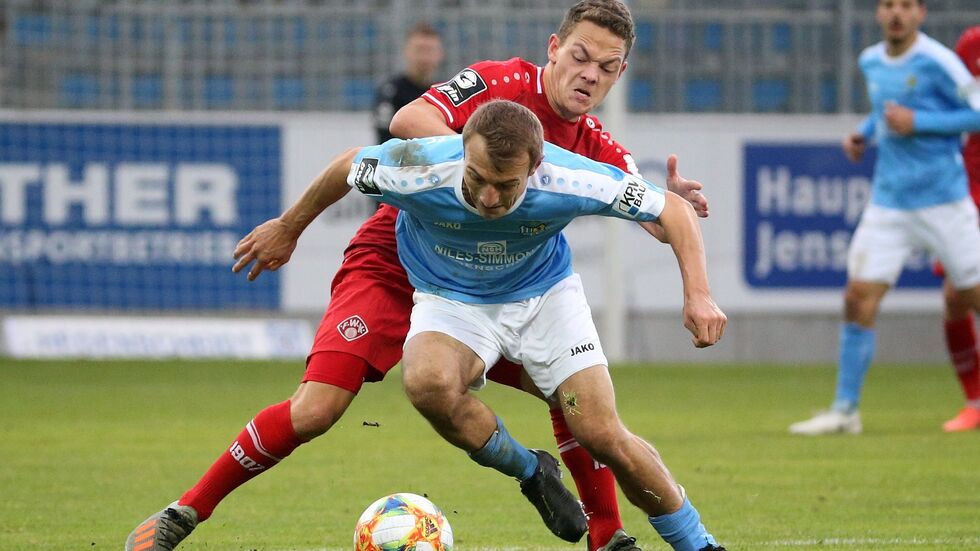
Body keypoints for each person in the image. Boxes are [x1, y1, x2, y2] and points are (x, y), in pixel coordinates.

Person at [125, 2, 710, 549]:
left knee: (577, 402)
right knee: (316, 410)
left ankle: (604, 535)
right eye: (580, 57)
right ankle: (185, 512)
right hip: (396, 262)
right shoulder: (497, 82)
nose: (589, 75)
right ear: (554, 48)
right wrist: (469, 173)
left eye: (606, 68)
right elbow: (409, 120)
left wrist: (670, 203)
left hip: (497, 285)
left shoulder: (597, 151)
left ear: (619, 73)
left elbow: (659, 217)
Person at [262, 99, 727, 550]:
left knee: (600, 435)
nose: (488, 197)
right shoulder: (419, 166)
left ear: (536, 167)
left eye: (506, 185)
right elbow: (346, 167)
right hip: (451, 300)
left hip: (545, 299)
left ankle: (699, 544)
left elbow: (672, 208)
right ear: (463, 151)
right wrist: (289, 226)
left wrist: (699, 295)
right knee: (427, 383)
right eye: (477, 177)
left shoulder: (570, 178)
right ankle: (531, 471)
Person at [789, 0, 980, 436]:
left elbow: (977, 112)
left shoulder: (940, 62)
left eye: (906, 6)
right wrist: (865, 133)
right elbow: (884, 111)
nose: (897, 13)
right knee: (858, 297)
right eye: (889, 5)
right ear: (879, 13)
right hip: (889, 202)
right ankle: (845, 410)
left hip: (944, 200)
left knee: (971, 295)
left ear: (920, 13)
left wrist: (921, 121)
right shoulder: (871, 60)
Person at [879, 25, 980, 432]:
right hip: (969, 187)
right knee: (957, 295)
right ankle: (975, 401)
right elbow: (952, 105)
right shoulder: (969, 45)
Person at [373, 22, 444, 143]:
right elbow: (384, 136)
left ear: (440, 54)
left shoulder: (443, 92)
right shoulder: (391, 91)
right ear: (407, 52)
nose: (424, 57)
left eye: (430, 50)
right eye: (419, 50)